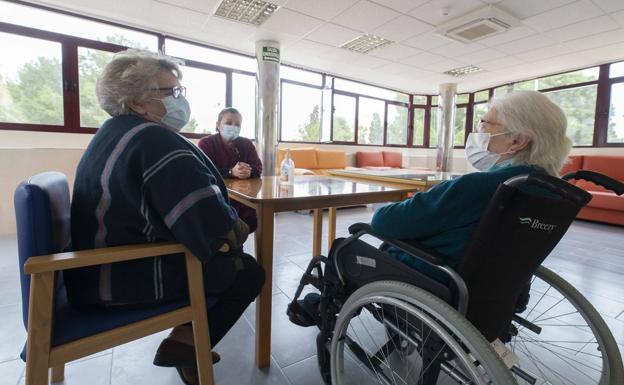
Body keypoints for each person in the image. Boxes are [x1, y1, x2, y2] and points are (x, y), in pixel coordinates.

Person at [63, 50, 265, 385]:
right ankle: (189, 345)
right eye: (170, 92)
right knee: (246, 271)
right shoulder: (154, 140)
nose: (178, 100)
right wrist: (236, 230)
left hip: (89, 267)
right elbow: (208, 224)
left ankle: (184, 343)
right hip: (121, 275)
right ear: (138, 101)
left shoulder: (113, 132)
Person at [371, 90, 571, 276]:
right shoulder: (553, 192)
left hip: (432, 278)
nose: (478, 132)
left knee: (346, 250)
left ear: (518, 141)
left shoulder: (480, 186)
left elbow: (384, 222)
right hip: (495, 289)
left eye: (485, 124)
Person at [198, 107, 262, 232]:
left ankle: (237, 246)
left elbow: (258, 167)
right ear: (218, 125)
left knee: (252, 221)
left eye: (237, 124)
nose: (233, 127)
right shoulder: (206, 143)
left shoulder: (246, 144)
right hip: (218, 197)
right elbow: (204, 171)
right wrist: (231, 172)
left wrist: (250, 171)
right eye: (228, 123)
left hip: (243, 197)